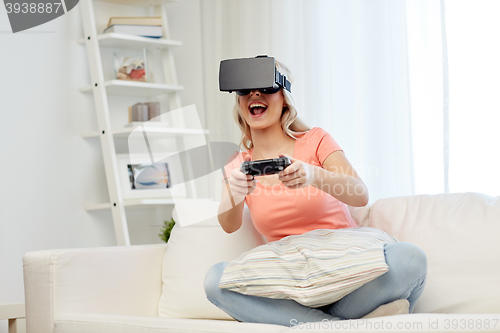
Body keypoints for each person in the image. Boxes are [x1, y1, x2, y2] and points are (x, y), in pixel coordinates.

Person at [204, 58, 427, 327]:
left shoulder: (316, 140)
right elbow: (228, 224)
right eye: (245, 90)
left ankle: (316, 325)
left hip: (345, 270)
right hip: (288, 280)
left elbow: (360, 194)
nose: (255, 94)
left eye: (266, 87)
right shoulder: (237, 163)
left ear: (284, 97)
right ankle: (338, 325)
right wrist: (235, 194)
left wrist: (313, 175)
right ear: (239, 102)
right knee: (215, 280)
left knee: (411, 259)